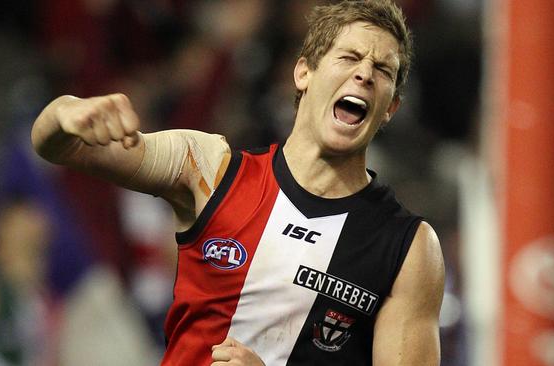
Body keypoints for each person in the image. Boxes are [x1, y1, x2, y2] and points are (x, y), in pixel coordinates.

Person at [31, 0, 445, 364]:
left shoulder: (408, 249)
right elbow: (61, 148)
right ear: (303, 73)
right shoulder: (210, 170)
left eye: (382, 69)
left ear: (390, 107)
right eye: (349, 57)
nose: (364, 75)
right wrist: (66, 114)